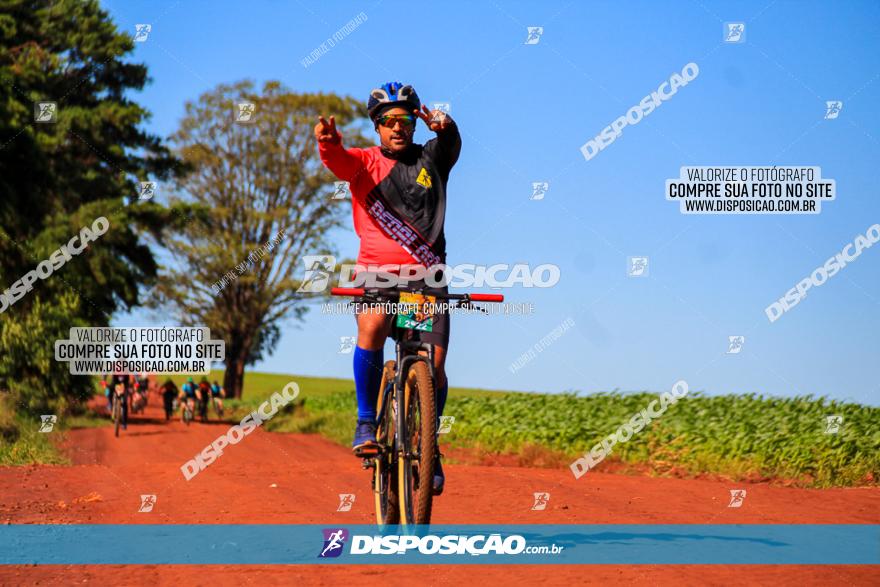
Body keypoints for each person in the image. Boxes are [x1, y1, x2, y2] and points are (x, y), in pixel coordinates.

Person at [316, 81, 461, 495]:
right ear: (377, 127)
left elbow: (450, 143)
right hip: (377, 275)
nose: (397, 128)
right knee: (374, 324)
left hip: (427, 278)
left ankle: (429, 447)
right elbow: (338, 162)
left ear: (415, 124)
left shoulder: (432, 158)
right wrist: (328, 145)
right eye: (387, 121)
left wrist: (445, 126)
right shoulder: (362, 162)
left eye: (404, 120)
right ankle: (366, 420)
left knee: (432, 367)